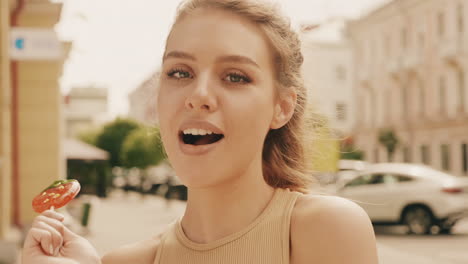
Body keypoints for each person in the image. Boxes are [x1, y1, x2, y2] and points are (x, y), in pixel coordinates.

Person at [22, 0, 379, 263]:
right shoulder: (124, 262)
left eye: (235, 76)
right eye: (180, 72)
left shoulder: (326, 231)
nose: (199, 96)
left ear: (281, 107)